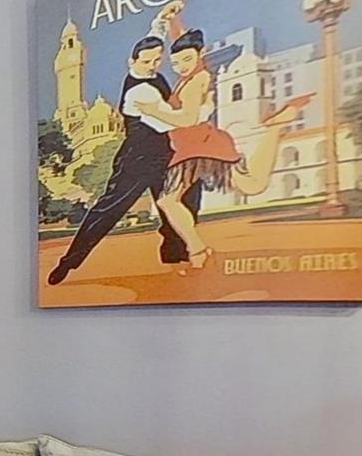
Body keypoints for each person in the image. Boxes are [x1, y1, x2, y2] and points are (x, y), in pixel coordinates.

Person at [133, 26, 310, 271]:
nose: (181, 66)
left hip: (201, 146)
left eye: (186, 60)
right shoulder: (190, 76)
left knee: (249, 186)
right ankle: (197, 250)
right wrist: (175, 22)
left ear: (199, 55)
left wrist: (155, 111)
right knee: (171, 200)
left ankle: (274, 130)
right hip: (191, 147)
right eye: (175, 63)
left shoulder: (198, 80)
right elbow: (184, 43)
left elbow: (188, 119)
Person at [46, 30, 200, 286]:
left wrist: (162, 23)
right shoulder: (139, 92)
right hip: (136, 159)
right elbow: (176, 120)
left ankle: (176, 257)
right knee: (107, 211)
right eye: (146, 61)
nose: (152, 66)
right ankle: (69, 262)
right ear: (132, 62)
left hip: (165, 155)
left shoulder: (153, 75)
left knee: (182, 202)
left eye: (156, 60)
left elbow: (155, 37)